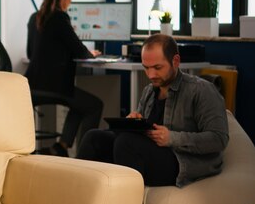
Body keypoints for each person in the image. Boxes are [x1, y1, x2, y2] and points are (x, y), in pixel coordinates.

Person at [77, 34, 229, 188]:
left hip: (182, 160)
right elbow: (143, 135)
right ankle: (77, 198)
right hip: (151, 153)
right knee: (93, 137)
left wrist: (172, 138)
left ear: (175, 61)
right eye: (146, 68)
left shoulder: (201, 90)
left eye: (157, 68)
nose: (151, 75)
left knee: (126, 143)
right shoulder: (150, 90)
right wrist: (133, 123)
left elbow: (219, 139)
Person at [25, 0, 103, 157]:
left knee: (80, 104)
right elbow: (80, 51)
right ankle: (86, 157)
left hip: (30, 86)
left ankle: (62, 147)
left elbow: (30, 53)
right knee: (94, 105)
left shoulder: (34, 17)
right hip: (54, 87)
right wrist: (90, 53)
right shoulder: (60, 18)